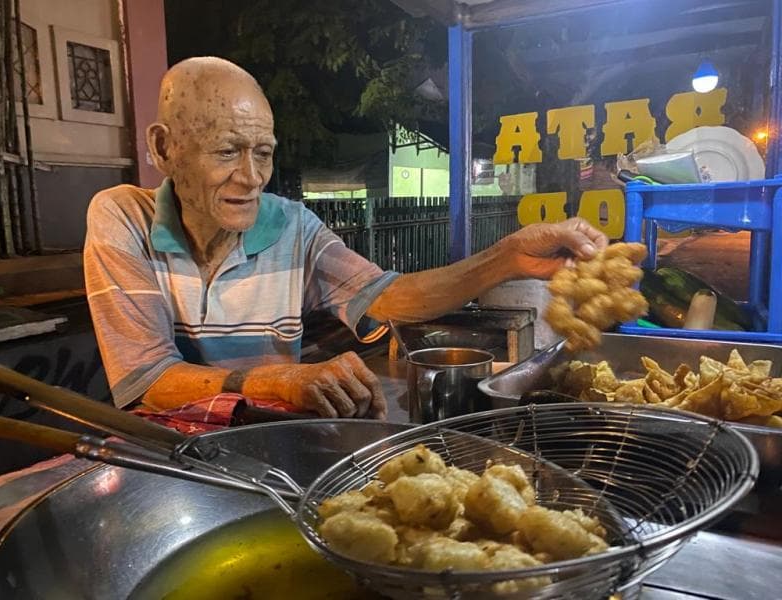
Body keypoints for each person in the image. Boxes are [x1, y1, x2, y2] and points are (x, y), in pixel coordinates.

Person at [84, 57, 607, 421]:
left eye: (262, 153)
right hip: (167, 454)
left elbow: (390, 296)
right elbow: (146, 379)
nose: (251, 176)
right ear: (163, 147)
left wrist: (507, 256)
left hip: (271, 442)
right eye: (226, 152)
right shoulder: (122, 216)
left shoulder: (292, 225)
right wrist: (279, 380)